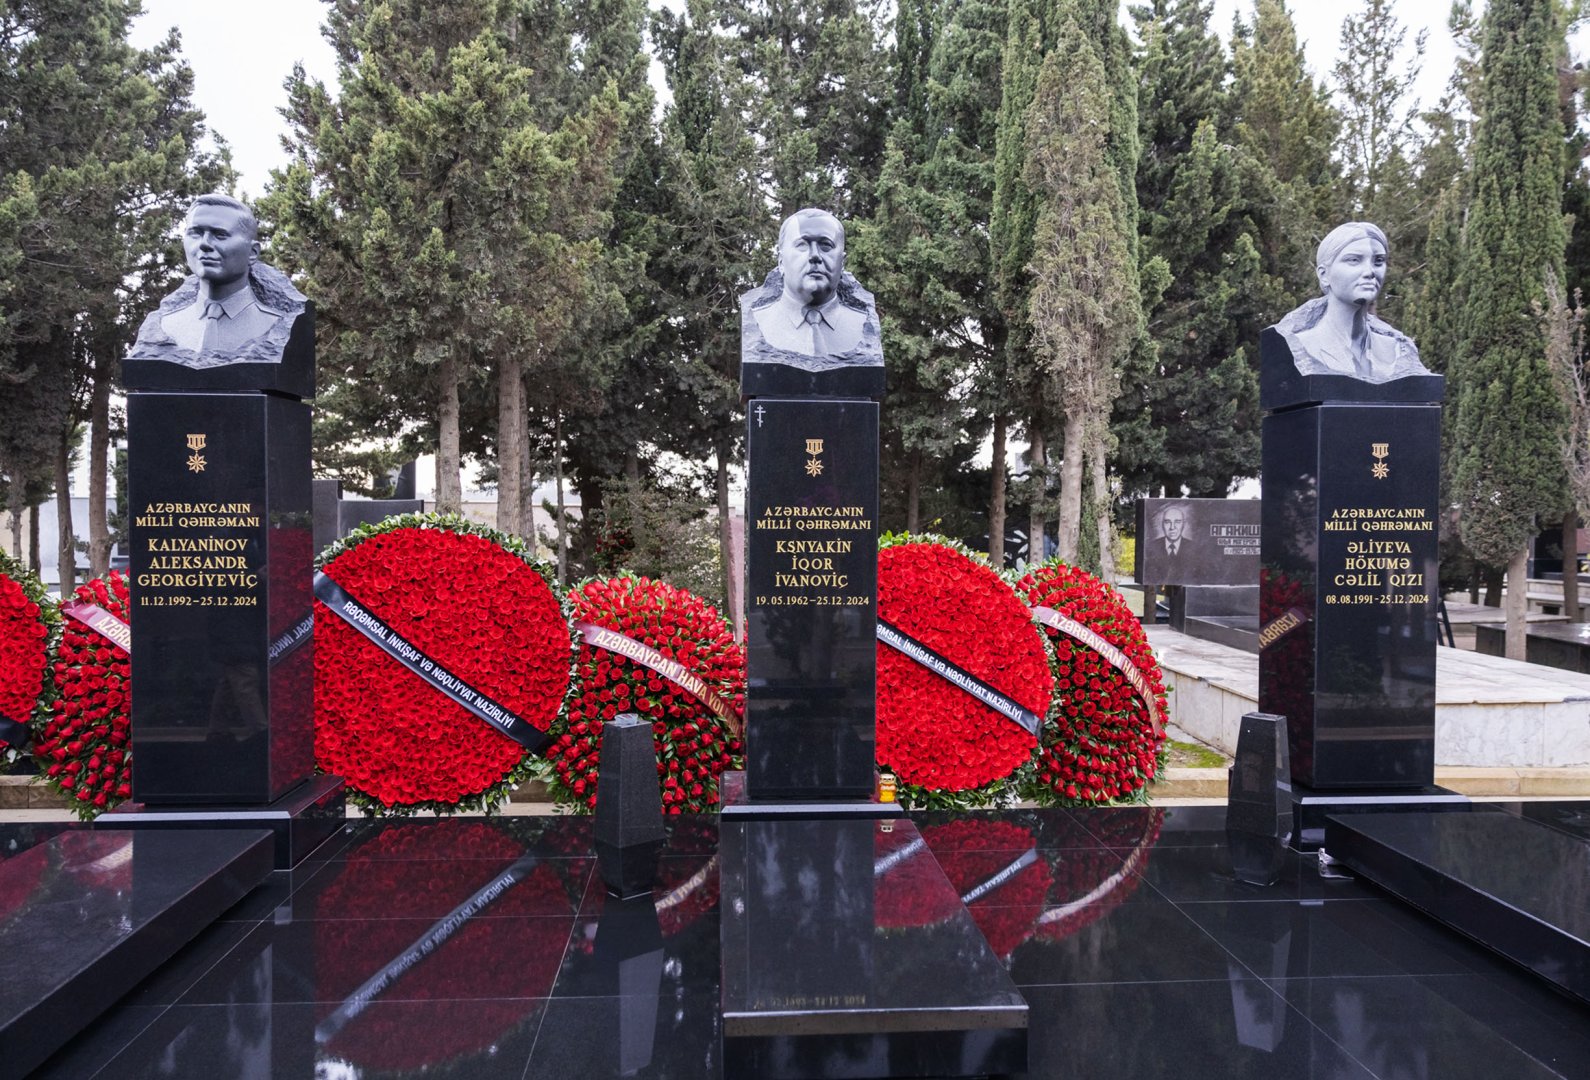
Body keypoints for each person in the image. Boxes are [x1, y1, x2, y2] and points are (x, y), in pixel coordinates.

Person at [129, 194, 306, 368]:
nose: (204, 244)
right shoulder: (164, 327)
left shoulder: (276, 326)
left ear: (252, 253)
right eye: (195, 233)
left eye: (220, 235)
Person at [1273, 222, 1429, 383]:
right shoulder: (1303, 345)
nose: (1370, 272)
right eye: (1354, 260)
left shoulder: (1397, 350)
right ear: (1324, 275)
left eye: (1378, 261)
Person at [748, 208, 870, 360]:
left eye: (826, 245)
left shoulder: (864, 325)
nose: (814, 256)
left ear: (842, 262)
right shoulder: (757, 322)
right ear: (781, 262)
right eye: (802, 245)